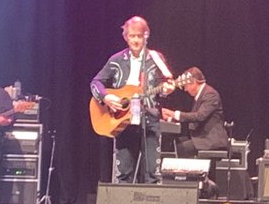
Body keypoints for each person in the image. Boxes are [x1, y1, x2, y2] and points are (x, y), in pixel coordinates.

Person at [90, 16, 174, 184]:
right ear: (126, 37)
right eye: (132, 36)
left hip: (149, 120)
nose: (135, 40)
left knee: (153, 174)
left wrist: (167, 90)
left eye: (139, 36)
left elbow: (166, 83)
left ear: (146, 36)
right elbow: (95, 82)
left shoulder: (156, 58)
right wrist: (106, 97)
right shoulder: (116, 60)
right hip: (124, 123)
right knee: (123, 175)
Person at [160, 66, 228, 158]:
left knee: (180, 149)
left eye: (186, 86)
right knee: (175, 144)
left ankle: (185, 172)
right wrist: (170, 118)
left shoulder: (210, 94)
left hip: (210, 141)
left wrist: (174, 114)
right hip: (202, 138)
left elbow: (199, 116)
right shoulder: (201, 94)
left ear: (194, 83)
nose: (185, 89)